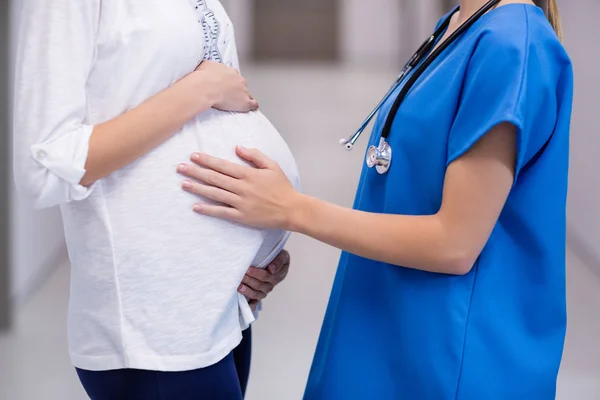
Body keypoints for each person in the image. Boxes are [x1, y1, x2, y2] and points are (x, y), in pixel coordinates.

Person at [178, 0, 573, 398]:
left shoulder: (511, 44)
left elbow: (455, 242)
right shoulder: (460, 23)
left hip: (448, 357)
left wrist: (292, 209)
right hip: (386, 324)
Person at [12, 0, 299, 398]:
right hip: (157, 324)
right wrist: (201, 89)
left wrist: (259, 249)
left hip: (223, 302)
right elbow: (41, 167)